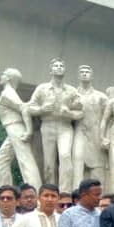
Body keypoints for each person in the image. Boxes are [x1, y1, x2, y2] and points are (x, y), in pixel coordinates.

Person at [27, 58, 83, 191]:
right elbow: (30, 108)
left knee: (65, 156)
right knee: (49, 163)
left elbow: (81, 112)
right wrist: (41, 110)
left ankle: (65, 192)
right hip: (47, 125)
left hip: (65, 126)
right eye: (56, 66)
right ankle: (50, 192)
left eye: (61, 66)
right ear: (51, 70)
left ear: (64, 70)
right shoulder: (42, 88)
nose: (59, 68)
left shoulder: (71, 90)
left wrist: (69, 113)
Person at [0, 68, 40, 190]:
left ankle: (35, 191)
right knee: (0, 161)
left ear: (8, 78)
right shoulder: (8, 92)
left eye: (3, 74)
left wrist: (29, 131)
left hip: (16, 128)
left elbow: (23, 108)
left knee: (25, 160)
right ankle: (5, 192)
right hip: (12, 128)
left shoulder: (8, 93)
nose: (1, 76)